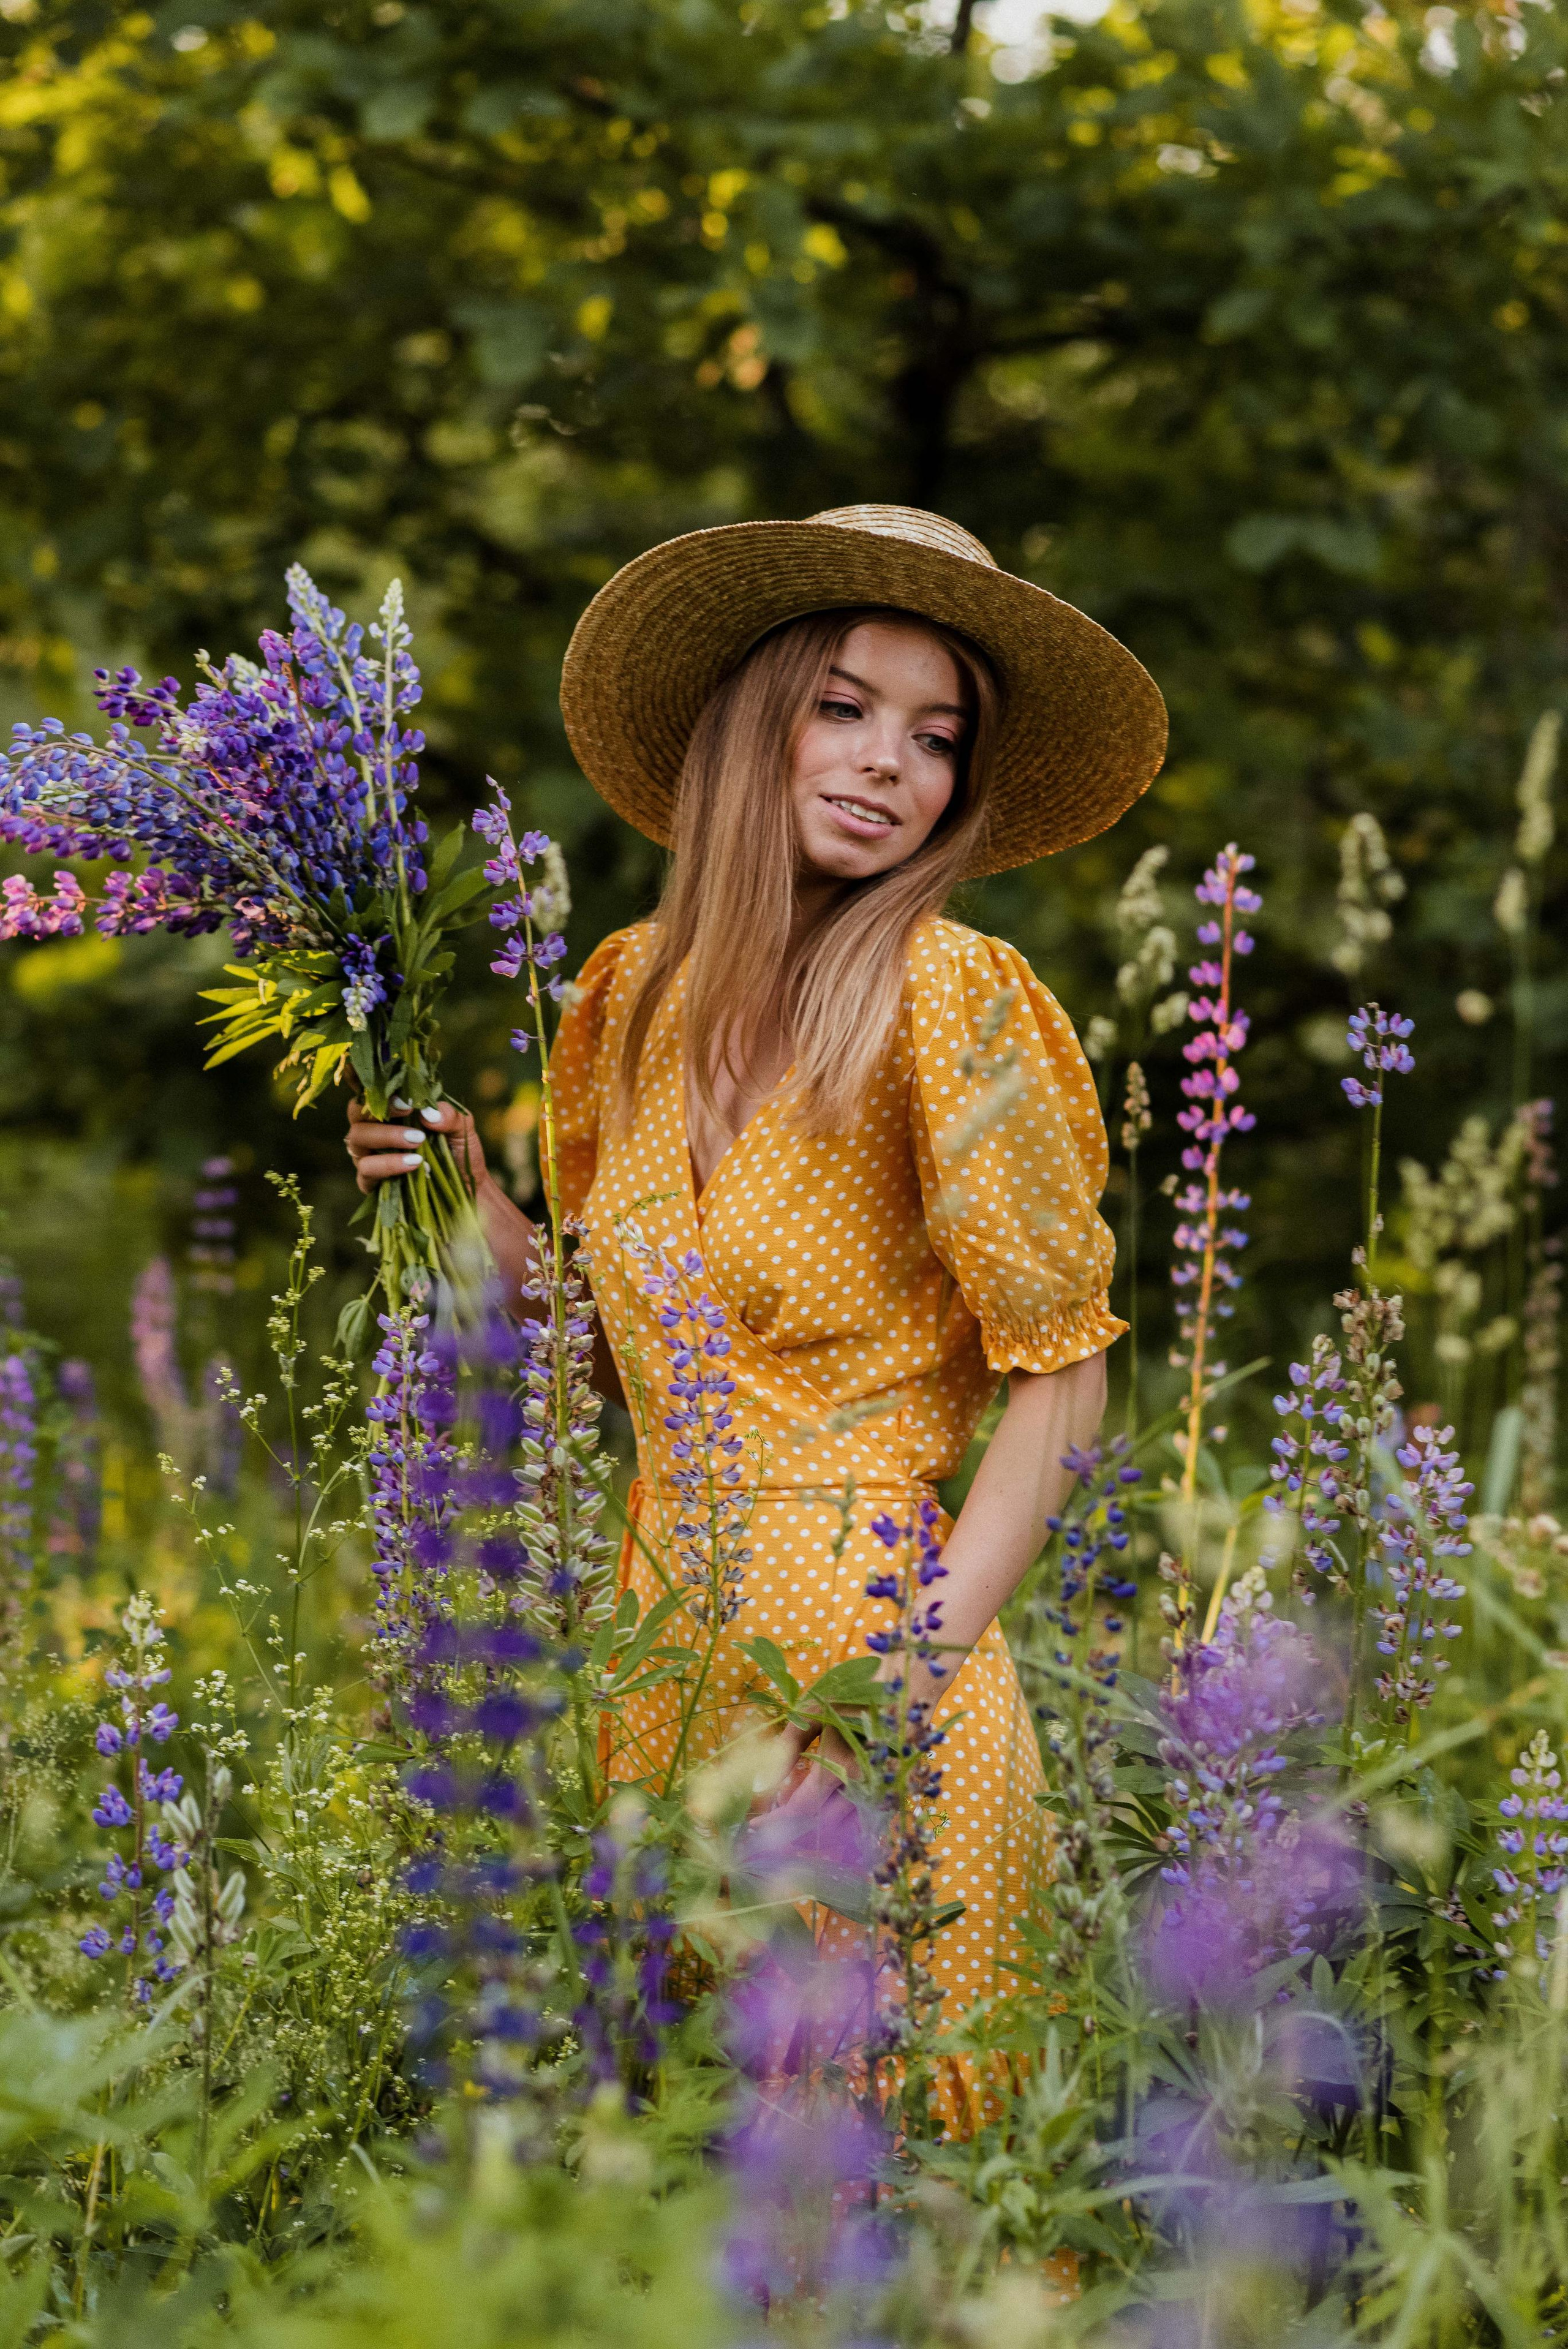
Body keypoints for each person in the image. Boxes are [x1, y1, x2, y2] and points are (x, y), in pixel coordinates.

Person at [347, 504, 1165, 2116]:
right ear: (748, 727)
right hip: (660, 1656)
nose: (889, 763)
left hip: (877, 1655)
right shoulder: (631, 996)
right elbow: (606, 1341)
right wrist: (460, 1200)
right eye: (843, 708)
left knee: (893, 2171)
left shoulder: (950, 993)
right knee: (683, 2174)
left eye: (937, 737)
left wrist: (896, 1688)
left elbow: (1062, 1382)